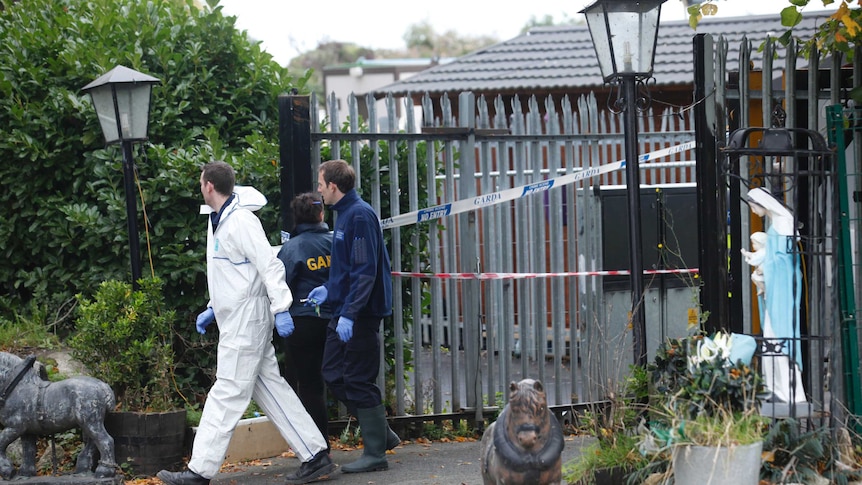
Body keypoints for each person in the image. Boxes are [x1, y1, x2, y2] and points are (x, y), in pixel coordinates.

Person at [157, 162, 334, 485]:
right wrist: (213, 306)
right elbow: (235, 273)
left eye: (200, 181)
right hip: (238, 317)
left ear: (209, 185)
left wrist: (282, 307)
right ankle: (315, 453)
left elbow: (268, 265)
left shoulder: (239, 221)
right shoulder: (220, 221)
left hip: (245, 321)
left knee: (226, 391)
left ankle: (200, 470)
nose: (200, 186)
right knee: (270, 388)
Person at [304, 159, 400, 474]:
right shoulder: (344, 215)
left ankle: (375, 454)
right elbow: (346, 270)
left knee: (358, 379)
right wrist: (328, 291)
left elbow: (364, 271)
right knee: (333, 374)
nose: (317, 190)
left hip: (358, 313)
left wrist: (350, 314)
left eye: (320, 184)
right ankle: (381, 432)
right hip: (342, 307)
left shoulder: (359, 216)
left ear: (333, 186)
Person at [276, 192, 333, 451]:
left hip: (302, 323)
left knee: (309, 386)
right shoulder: (335, 242)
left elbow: (280, 285)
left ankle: (319, 446)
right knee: (346, 379)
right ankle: (380, 436)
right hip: (335, 321)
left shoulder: (291, 248)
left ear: (296, 218)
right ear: (321, 214)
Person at [745, 187, 807, 404]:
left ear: (763, 203)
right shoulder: (777, 223)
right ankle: (775, 387)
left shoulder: (783, 223)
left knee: (780, 335)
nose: (753, 212)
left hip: (781, 287)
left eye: (753, 207)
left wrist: (764, 269)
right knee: (772, 336)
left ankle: (790, 391)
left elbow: (784, 261)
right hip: (776, 287)